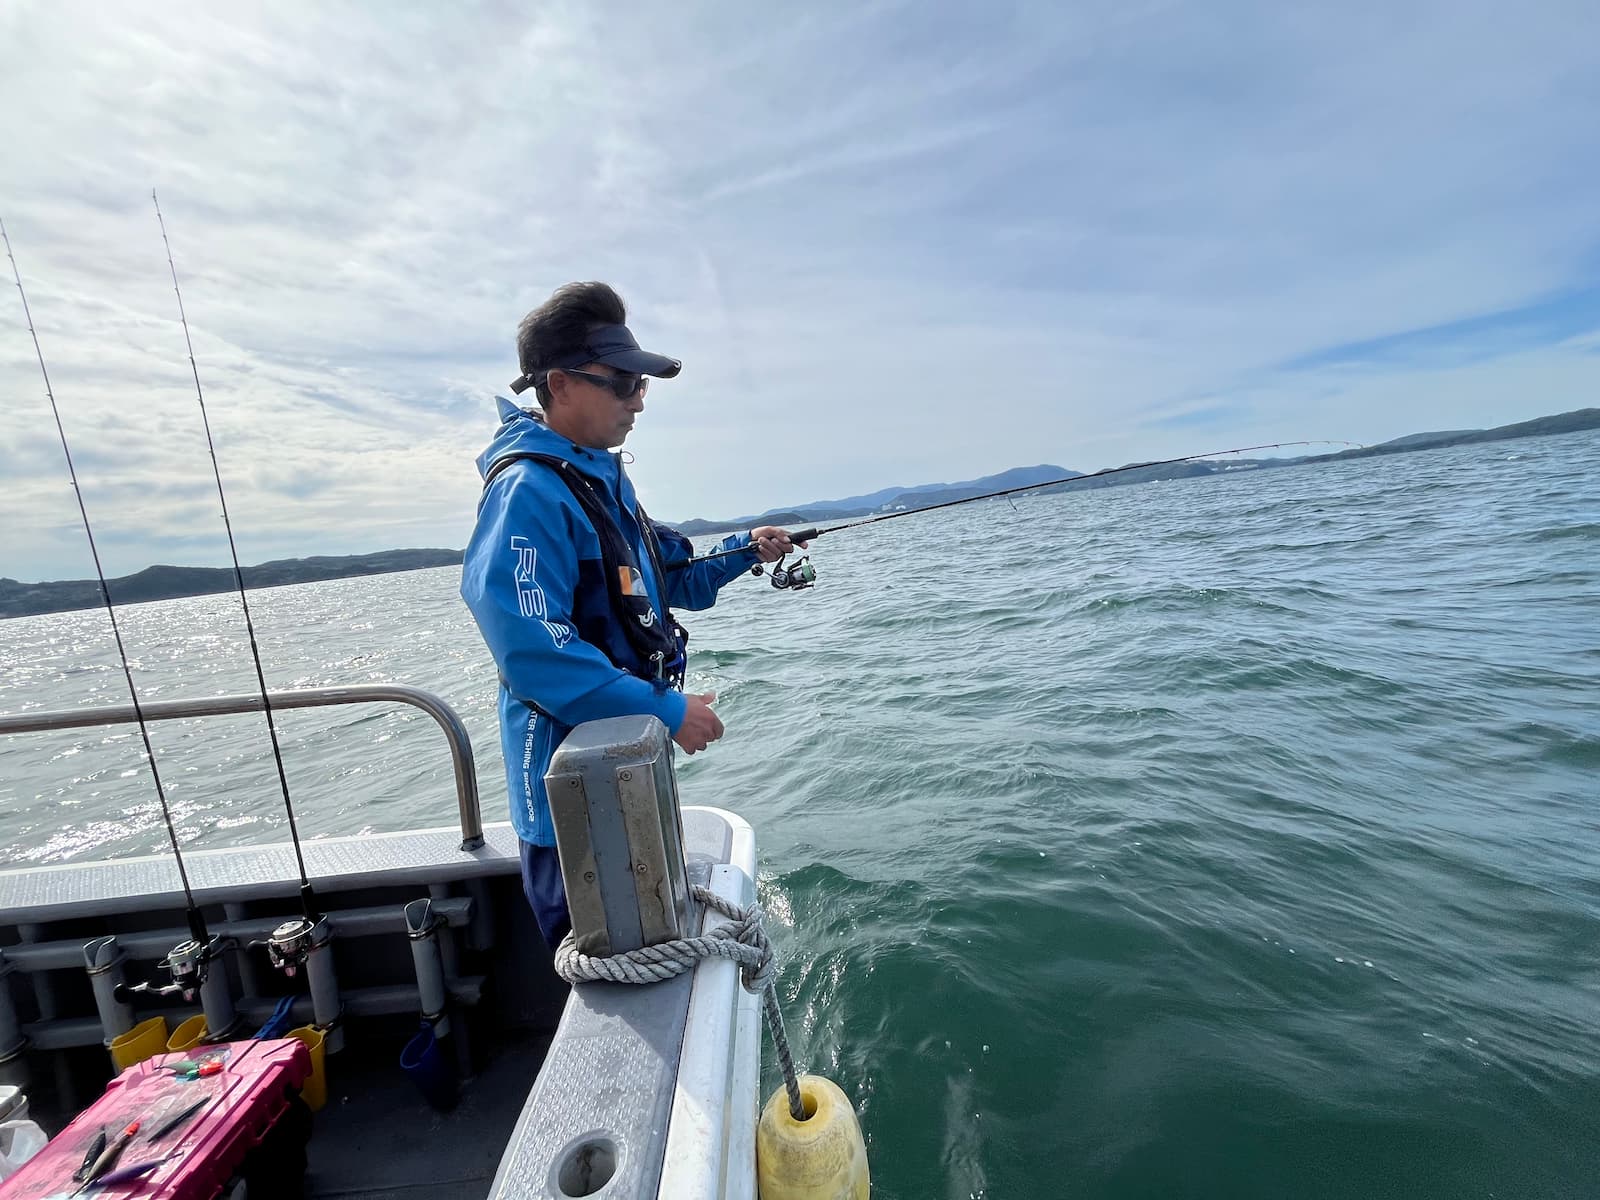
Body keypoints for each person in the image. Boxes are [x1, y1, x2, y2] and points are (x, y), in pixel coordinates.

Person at [460, 281, 802, 948]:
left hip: (622, 768)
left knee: (647, 941)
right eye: (620, 382)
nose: (639, 398)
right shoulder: (528, 492)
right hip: (568, 803)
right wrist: (668, 711)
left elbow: (660, 576)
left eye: (641, 383)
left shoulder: (596, 477)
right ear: (559, 384)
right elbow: (535, 653)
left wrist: (743, 553)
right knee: (602, 966)